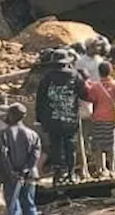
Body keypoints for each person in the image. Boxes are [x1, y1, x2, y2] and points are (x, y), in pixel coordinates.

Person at [36, 49, 88, 185]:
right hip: (70, 119)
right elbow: (84, 94)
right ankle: (71, 173)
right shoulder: (75, 76)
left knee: (55, 146)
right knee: (70, 146)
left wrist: (40, 118)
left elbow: (40, 99)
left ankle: (57, 175)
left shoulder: (46, 78)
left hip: (51, 120)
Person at [0, 103, 42, 215]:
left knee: (14, 209)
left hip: (12, 177)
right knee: (29, 205)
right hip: (29, 176)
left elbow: (4, 156)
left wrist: (12, 172)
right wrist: (26, 169)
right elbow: (35, 154)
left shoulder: (4, 134)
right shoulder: (32, 134)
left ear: (11, 115)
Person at [85, 61, 115, 178]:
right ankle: (111, 169)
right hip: (112, 118)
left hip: (97, 118)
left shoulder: (95, 86)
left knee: (98, 144)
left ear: (99, 72)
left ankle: (100, 168)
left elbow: (90, 98)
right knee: (111, 144)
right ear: (110, 71)